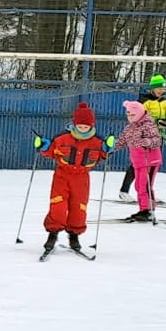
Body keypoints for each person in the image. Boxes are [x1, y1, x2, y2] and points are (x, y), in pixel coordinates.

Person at [33, 102, 109, 254]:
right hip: (62, 177)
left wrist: (108, 148)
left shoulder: (97, 142)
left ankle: (74, 236)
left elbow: (104, 155)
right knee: (58, 205)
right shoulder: (62, 139)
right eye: (80, 126)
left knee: (79, 208)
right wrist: (43, 146)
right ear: (74, 124)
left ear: (91, 126)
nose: (83, 129)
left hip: (81, 179)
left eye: (86, 126)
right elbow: (51, 151)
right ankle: (52, 234)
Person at [120, 75, 166, 200]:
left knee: (153, 164)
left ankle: (147, 192)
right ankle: (124, 191)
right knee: (139, 163)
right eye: (158, 88)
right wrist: (156, 122)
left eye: (163, 89)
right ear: (152, 88)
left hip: (157, 136)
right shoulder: (144, 101)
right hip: (143, 136)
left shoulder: (163, 101)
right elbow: (139, 117)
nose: (161, 91)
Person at [114, 100, 163, 223]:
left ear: (140, 114)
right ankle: (143, 209)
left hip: (150, 160)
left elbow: (157, 140)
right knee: (139, 186)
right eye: (128, 115)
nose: (130, 117)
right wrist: (111, 148)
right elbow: (122, 141)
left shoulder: (148, 125)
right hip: (138, 161)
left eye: (133, 115)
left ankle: (149, 210)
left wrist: (148, 142)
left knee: (145, 185)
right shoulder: (129, 128)